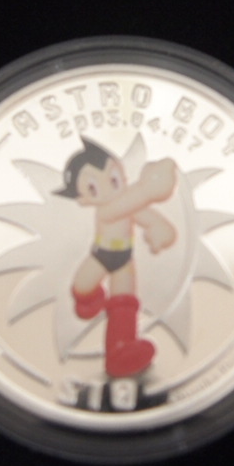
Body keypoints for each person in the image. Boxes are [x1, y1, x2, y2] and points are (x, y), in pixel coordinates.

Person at [56, 139, 177, 378]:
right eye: (93, 188)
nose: (109, 189)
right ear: (84, 200)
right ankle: (89, 300)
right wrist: (148, 189)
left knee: (124, 303)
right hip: (101, 255)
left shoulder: (128, 205)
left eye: (113, 179)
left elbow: (145, 216)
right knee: (82, 286)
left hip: (124, 260)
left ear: (122, 173)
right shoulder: (108, 210)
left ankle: (121, 349)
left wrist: (160, 228)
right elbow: (130, 204)